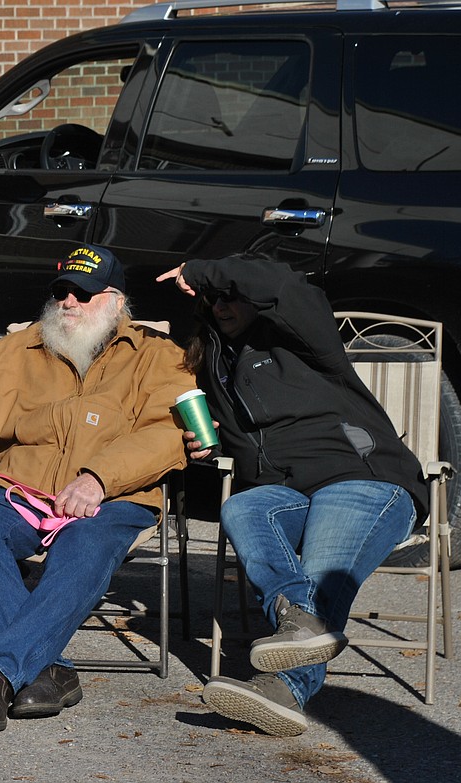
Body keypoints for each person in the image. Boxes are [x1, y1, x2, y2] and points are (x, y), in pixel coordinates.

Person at [0, 244, 195, 733]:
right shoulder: (14, 351)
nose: (69, 303)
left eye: (84, 293)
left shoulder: (158, 357)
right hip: (20, 486)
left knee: (85, 543)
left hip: (115, 495)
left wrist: (99, 477)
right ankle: (49, 671)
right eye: (62, 291)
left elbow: (167, 434)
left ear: (115, 300)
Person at [157, 253, 427, 737]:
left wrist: (200, 273)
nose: (221, 305)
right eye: (212, 300)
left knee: (324, 572)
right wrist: (203, 441)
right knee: (241, 506)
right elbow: (233, 444)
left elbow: (276, 281)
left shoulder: (301, 333)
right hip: (284, 491)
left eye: (229, 295)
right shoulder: (216, 364)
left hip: (363, 479)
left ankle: (282, 687)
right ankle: (295, 617)